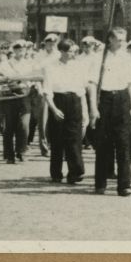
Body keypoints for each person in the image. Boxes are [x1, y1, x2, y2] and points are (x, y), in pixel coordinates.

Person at [87, 27, 131, 197]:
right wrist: (93, 108)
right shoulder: (99, 57)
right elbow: (92, 84)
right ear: (110, 40)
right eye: (119, 40)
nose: (122, 43)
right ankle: (100, 183)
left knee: (124, 144)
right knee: (103, 144)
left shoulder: (127, 58)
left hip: (122, 99)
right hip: (105, 99)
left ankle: (124, 185)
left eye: (124, 40)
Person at [44, 38, 89, 184]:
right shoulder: (51, 67)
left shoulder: (78, 67)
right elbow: (47, 92)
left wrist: (85, 113)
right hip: (58, 101)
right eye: (70, 51)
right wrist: (54, 109)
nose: (73, 54)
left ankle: (76, 172)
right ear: (62, 51)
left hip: (74, 101)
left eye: (74, 51)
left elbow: (82, 91)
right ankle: (56, 173)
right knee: (57, 140)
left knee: (74, 138)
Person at [29, 34, 59, 156]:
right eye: (49, 42)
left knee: (57, 119)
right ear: (45, 42)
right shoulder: (39, 56)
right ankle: (44, 147)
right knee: (43, 121)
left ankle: (56, 145)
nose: (51, 44)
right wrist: (39, 88)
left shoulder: (58, 55)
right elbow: (35, 73)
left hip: (57, 89)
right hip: (43, 89)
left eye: (53, 42)